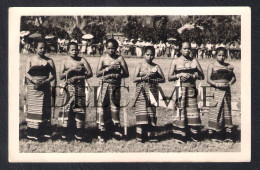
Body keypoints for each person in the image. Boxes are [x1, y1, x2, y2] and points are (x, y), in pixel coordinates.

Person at [168, 41, 205, 143]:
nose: (187, 50)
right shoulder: (175, 61)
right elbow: (169, 77)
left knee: (192, 112)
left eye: (189, 48)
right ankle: (180, 136)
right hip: (180, 90)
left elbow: (202, 76)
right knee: (180, 112)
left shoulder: (194, 60)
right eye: (185, 48)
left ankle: (193, 136)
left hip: (192, 90)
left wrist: (193, 76)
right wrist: (179, 75)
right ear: (180, 49)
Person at [96, 39, 129, 143]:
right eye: (109, 48)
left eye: (113, 48)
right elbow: (97, 73)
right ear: (106, 48)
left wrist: (118, 74)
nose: (111, 50)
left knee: (115, 107)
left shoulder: (120, 58)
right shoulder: (103, 58)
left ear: (116, 48)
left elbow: (126, 73)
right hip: (104, 85)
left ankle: (116, 131)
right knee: (103, 108)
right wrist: (108, 69)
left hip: (115, 86)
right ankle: (102, 132)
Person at [58, 42, 93, 140]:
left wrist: (80, 76)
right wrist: (70, 70)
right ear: (68, 51)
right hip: (68, 88)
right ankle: (65, 133)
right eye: (72, 50)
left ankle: (79, 134)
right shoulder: (64, 61)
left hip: (80, 88)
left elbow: (90, 73)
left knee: (79, 110)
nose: (74, 52)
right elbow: (60, 76)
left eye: (76, 49)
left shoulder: (82, 60)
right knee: (66, 109)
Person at [25, 39, 56, 140]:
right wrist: (34, 81)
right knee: (34, 109)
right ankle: (33, 134)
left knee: (44, 109)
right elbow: (26, 73)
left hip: (45, 87)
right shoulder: (30, 59)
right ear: (35, 49)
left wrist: (46, 81)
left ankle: (44, 133)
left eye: (44, 48)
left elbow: (53, 75)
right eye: (40, 48)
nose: (43, 50)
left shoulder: (49, 61)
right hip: (33, 88)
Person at [133, 46, 165, 143]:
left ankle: (151, 136)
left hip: (152, 91)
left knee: (151, 113)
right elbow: (134, 79)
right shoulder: (140, 65)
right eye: (147, 54)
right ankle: (140, 136)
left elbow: (163, 79)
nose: (149, 57)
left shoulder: (156, 66)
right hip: (141, 91)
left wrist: (153, 79)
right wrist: (143, 77)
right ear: (143, 55)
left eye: (151, 55)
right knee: (142, 112)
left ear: (154, 56)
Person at [207, 47, 236, 142]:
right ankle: (215, 134)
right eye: (219, 55)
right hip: (215, 91)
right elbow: (208, 80)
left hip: (226, 91)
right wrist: (217, 84)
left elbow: (233, 78)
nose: (221, 57)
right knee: (216, 110)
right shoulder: (211, 65)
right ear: (215, 56)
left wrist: (229, 83)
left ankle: (227, 134)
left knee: (226, 110)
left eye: (223, 55)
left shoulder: (229, 66)